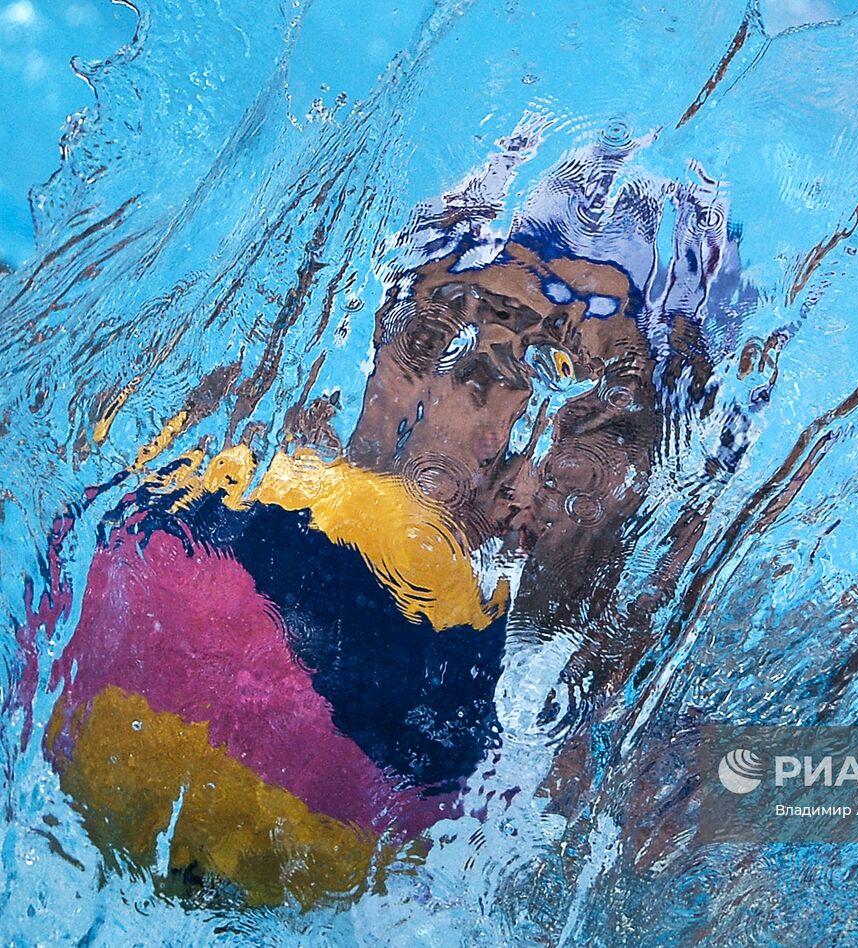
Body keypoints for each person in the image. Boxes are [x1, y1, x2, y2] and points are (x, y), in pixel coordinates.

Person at [36, 122, 751, 908]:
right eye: (469, 356)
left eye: (593, 421)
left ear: (649, 492)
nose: (513, 445)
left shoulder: (663, 738)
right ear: (384, 354)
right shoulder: (193, 450)